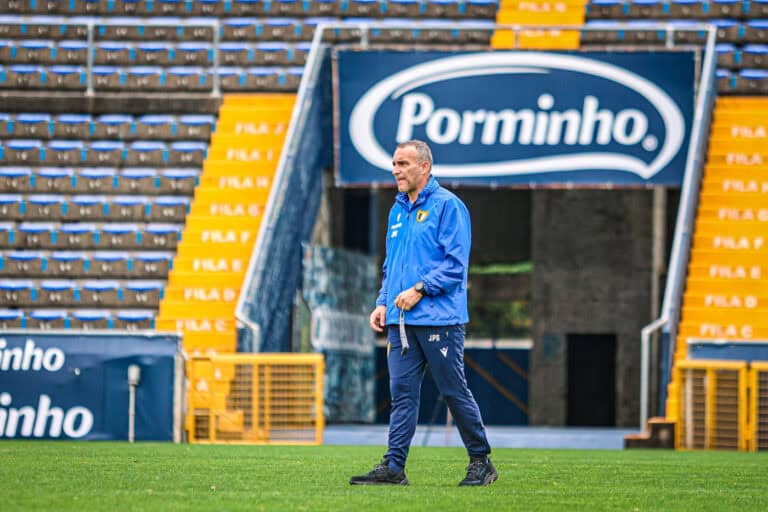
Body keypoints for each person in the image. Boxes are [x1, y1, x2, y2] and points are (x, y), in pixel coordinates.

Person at [349, 140, 497, 487]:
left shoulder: (448, 206)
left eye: (403, 163)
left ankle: (481, 461)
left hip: (440, 320)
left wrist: (420, 289)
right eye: (394, 164)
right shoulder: (397, 210)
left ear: (425, 167)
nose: (396, 170)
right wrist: (383, 301)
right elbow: (392, 264)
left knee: (453, 391)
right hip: (402, 323)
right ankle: (394, 467)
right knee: (402, 395)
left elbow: (456, 266)